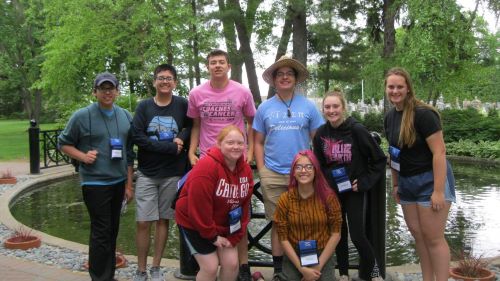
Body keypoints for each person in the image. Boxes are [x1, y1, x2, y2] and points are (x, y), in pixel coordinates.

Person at [187, 49, 256, 280]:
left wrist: (250, 151)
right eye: (212, 62)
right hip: (208, 159)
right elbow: (196, 125)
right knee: (205, 206)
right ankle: (207, 258)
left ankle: (242, 266)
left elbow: (251, 123)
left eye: (221, 62)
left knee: (236, 206)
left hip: (236, 159)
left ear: (228, 66)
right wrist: (191, 152)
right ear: (208, 67)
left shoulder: (242, 91)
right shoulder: (196, 93)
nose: (217, 66)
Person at [253, 55, 324, 280]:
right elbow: (257, 142)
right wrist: (262, 171)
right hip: (273, 173)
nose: (285, 77)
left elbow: (319, 140)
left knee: (306, 219)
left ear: (295, 79)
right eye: (280, 74)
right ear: (274, 80)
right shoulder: (264, 108)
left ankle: (306, 266)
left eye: (289, 74)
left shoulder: (308, 107)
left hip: (302, 174)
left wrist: (316, 169)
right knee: (278, 223)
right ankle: (278, 271)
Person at [58, 72, 134, 281]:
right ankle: (100, 277)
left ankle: (107, 274)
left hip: (119, 182)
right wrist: (82, 156)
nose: (107, 92)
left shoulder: (126, 116)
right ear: (95, 92)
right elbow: (63, 143)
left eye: (111, 88)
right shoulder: (82, 116)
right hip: (95, 182)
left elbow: (129, 154)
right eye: (103, 88)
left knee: (112, 231)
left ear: (117, 91)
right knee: (101, 231)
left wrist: (129, 185)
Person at [383, 67, 456, 281]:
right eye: (391, 86)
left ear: (407, 89)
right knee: (419, 236)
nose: (395, 90)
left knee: (433, 238)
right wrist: (395, 184)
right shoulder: (390, 118)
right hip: (407, 182)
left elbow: (439, 152)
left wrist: (438, 191)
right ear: (386, 89)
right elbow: (394, 153)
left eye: (399, 86)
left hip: (430, 180)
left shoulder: (424, 114)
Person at [312, 90, 386, 281]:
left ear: (343, 108)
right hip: (333, 192)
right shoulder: (321, 134)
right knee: (338, 233)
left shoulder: (356, 130)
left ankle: (374, 272)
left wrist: (364, 182)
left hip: (353, 190)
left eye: (335, 106)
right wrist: (325, 185)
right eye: (327, 107)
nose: (331, 110)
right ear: (323, 110)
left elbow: (378, 159)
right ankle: (343, 273)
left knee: (357, 235)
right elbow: (319, 165)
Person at [131, 64, 192, 281]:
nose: (164, 81)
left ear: (174, 82)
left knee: (163, 220)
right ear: (155, 81)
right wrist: (168, 147)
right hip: (147, 173)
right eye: (160, 78)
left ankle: (156, 267)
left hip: (172, 173)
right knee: (143, 221)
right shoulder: (144, 107)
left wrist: (182, 139)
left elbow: (191, 126)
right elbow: (137, 136)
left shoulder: (182, 104)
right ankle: (141, 269)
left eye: (169, 78)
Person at [175, 125, 254, 281]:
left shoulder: (245, 169)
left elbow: (244, 205)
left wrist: (236, 235)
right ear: (219, 144)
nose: (236, 147)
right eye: (230, 142)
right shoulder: (207, 167)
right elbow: (198, 208)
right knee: (210, 267)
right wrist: (212, 237)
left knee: (232, 264)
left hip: (224, 223)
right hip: (194, 222)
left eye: (240, 143)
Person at [274, 150, 342, 281]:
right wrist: (301, 269)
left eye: (308, 167)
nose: (303, 171)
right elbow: (283, 238)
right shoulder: (285, 199)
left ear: (316, 170)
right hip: (295, 254)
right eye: (298, 167)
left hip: (322, 253)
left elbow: (336, 234)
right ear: (293, 172)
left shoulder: (329, 198)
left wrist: (318, 266)